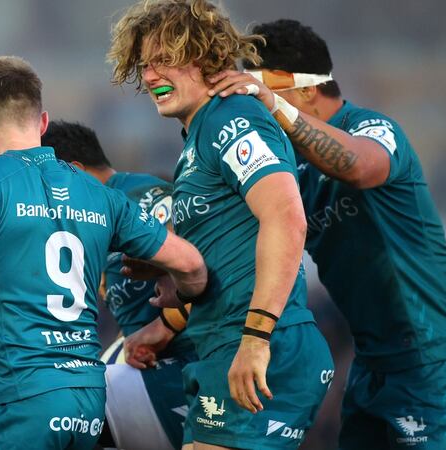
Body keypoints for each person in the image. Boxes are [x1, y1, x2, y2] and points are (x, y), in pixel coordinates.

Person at [0, 55, 207, 450]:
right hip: (87, 399)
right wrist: (177, 303)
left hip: (19, 393)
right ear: (43, 122)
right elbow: (191, 264)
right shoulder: (103, 196)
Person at [207, 18, 446, 449]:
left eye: (262, 91)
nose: (254, 105)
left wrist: (275, 107)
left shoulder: (373, 128)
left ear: (305, 89)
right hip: (370, 363)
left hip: (434, 357)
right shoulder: (288, 172)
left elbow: (360, 167)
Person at [107, 1, 334, 449]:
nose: (151, 76)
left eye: (165, 59)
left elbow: (287, 218)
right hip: (220, 347)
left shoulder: (232, 117)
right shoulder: (197, 135)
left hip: (262, 345)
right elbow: (228, 248)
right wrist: (169, 274)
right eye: (145, 65)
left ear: (205, 57)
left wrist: (255, 339)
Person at [42, 120, 194, 450]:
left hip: (190, 375)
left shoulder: (139, 197)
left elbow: (207, 253)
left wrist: (167, 324)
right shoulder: (89, 225)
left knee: (42, 410)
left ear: (74, 173)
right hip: (153, 376)